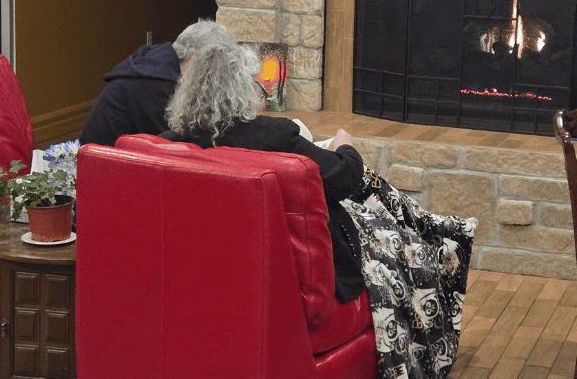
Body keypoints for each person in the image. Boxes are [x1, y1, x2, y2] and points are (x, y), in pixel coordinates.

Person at [162, 32, 476, 379]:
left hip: (214, 276)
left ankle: (435, 231)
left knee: (386, 211)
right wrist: (345, 146)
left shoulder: (167, 147)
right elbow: (345, 177)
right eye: (257, 87)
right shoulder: (275, 138)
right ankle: (441, 240)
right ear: (240, 90)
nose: (262, 98)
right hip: (312, 272)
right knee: (407, 238)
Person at [80, 19, 230, 147]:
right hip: (106, 165)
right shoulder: (157, 86)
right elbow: (172, 146)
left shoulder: (159, 65)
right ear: (196, 60)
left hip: (118, 157)